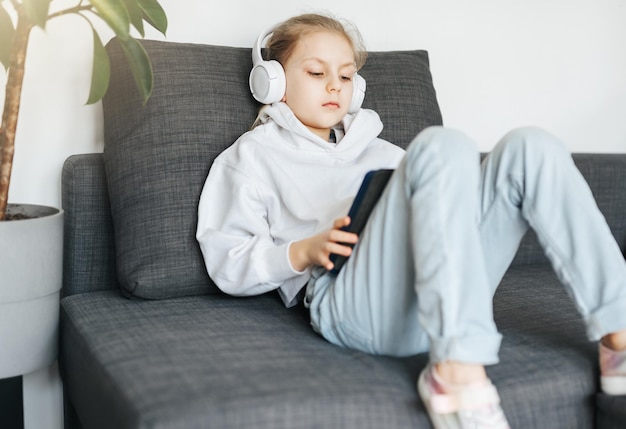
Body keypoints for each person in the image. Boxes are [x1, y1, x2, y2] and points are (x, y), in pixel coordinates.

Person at [196, 12, 626, 429]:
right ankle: (455, 372)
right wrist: (302, 251)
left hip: (440, 296)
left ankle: (619, 340)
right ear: (272, 81)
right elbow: (227, 264)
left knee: (532, 146)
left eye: (346, 76)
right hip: (347, 303)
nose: (334, 85)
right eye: (316, 72)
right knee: (442, 144)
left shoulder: (383, 151)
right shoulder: (251, 157)